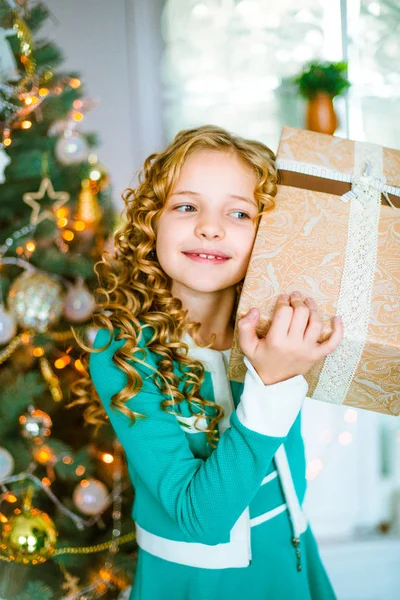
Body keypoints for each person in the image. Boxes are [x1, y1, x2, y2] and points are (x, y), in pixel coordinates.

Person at [70, 125, 343, 600]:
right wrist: (272, 383)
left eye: (239, 212)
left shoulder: (283, 327)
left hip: (290, 555)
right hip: (196, 583)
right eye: (187, 206)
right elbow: (203, 519)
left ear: (268, 234)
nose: (210, 227)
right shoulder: (122, 353)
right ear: (151, 221)